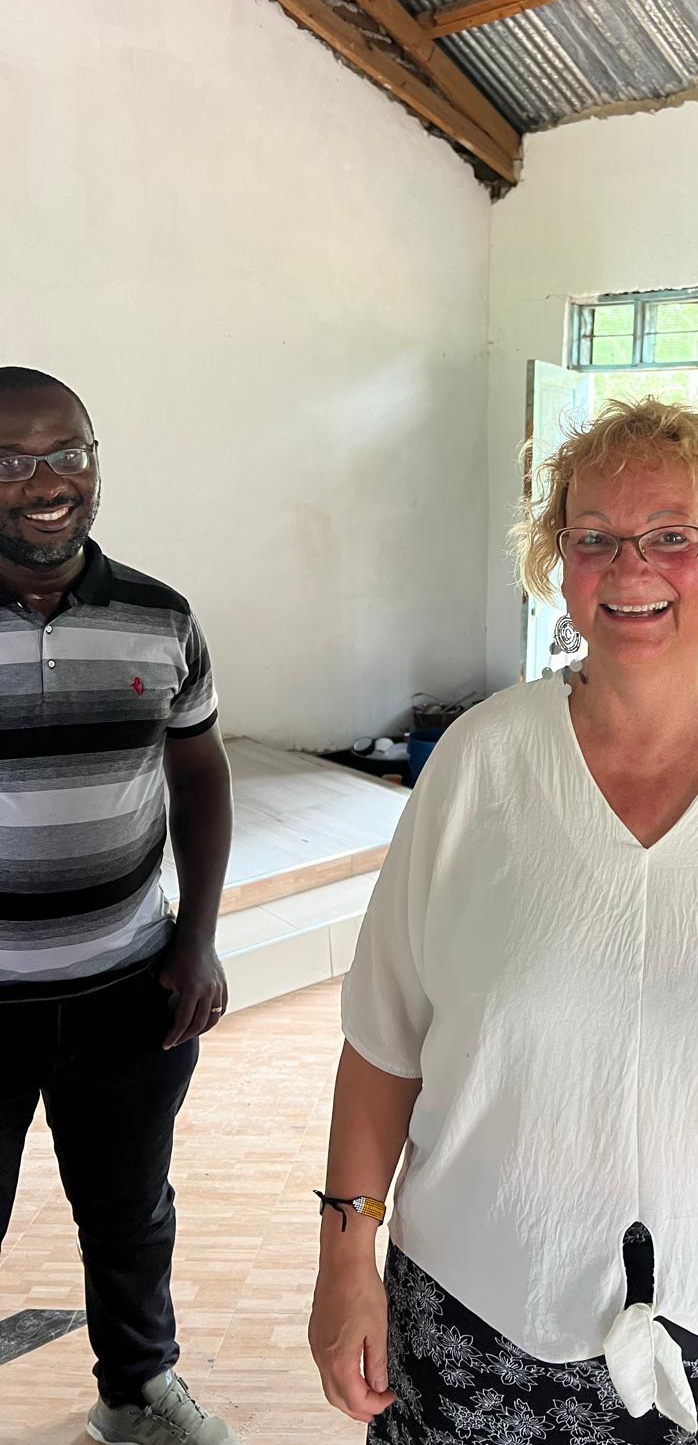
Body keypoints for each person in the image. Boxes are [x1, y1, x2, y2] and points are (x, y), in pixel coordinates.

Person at [309, 398, 698, 1443]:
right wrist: (343, 1264)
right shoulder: (480, 764)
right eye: (593, 537)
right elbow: (382, 1045)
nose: (631, 567)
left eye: (671, 536)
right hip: (475, 1324)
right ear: (560, 565)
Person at [0, 368, 237, 1445]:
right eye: (11, 461)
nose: (46, 482)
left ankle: (136, 1392)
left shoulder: (159, 617)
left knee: (131, 1215)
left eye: (68, 452)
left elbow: (200, 771)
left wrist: (198, 938)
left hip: (126, 991)